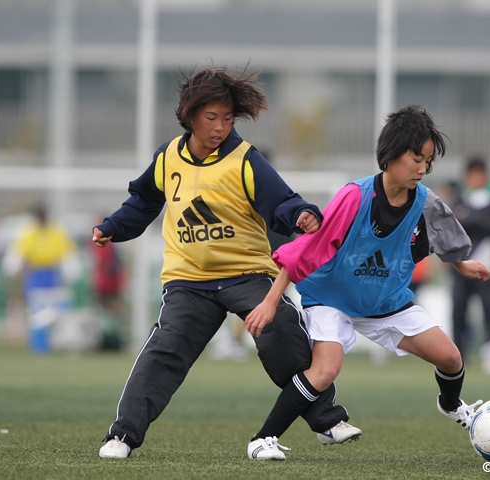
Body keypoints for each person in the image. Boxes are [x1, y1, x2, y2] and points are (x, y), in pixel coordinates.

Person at [93, 66, 360, 459]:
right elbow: (144, 201)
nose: (220, 127)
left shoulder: (245, 159)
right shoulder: (168, 158)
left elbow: (282, 201)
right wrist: (114, 226)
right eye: (211, 117)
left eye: (228, 118)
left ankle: (326, 420)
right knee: (165, 349)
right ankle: (123, 436)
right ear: (189, 115)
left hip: (247, 274)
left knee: (282, 328)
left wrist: (301, 214)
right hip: (188, 280)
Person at [245, 105, 488, 460]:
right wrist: (269, 302)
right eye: (415, 158)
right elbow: (306, 250)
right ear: (389, 156)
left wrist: (461, 263)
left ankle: (451, 405)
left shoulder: (424, 200)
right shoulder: (354, 197)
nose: (422, 168)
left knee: (451, 358)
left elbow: (442, 234)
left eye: (428, 160)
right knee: (325, 370)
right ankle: (262, 439)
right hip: (332, 298)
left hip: (385, 301)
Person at [448, 156, 490, 374]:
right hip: (461, 267)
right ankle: (459, 356)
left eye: (479, 174)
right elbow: (452, 224)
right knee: (458, 311)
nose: (475, 179)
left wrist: (470, 218)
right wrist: (477, 219)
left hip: (488, 266)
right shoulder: (459, 199)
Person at [2, 205, 82, 353]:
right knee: (37, 311)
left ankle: (58, 342)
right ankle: (39, 345)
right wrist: (14, 271)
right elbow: (18, 253)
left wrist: (70, 272)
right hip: (35, 274)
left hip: (52, 273)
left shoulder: (56, 232)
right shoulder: (29, 232)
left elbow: (67, 252)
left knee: (56, 310)